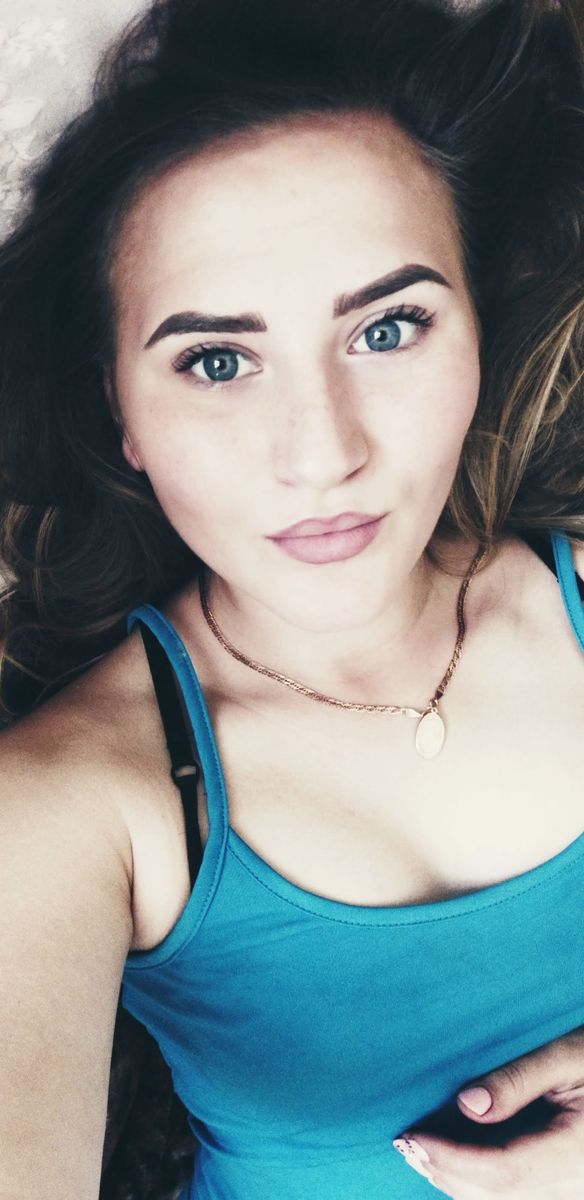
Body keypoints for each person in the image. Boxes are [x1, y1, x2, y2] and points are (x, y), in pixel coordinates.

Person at [0, 0, 582, 1197]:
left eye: (388, 327)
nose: (322, 454)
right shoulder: (69, 810)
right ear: (119, 412)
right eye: (217, 362)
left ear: (476, 325)